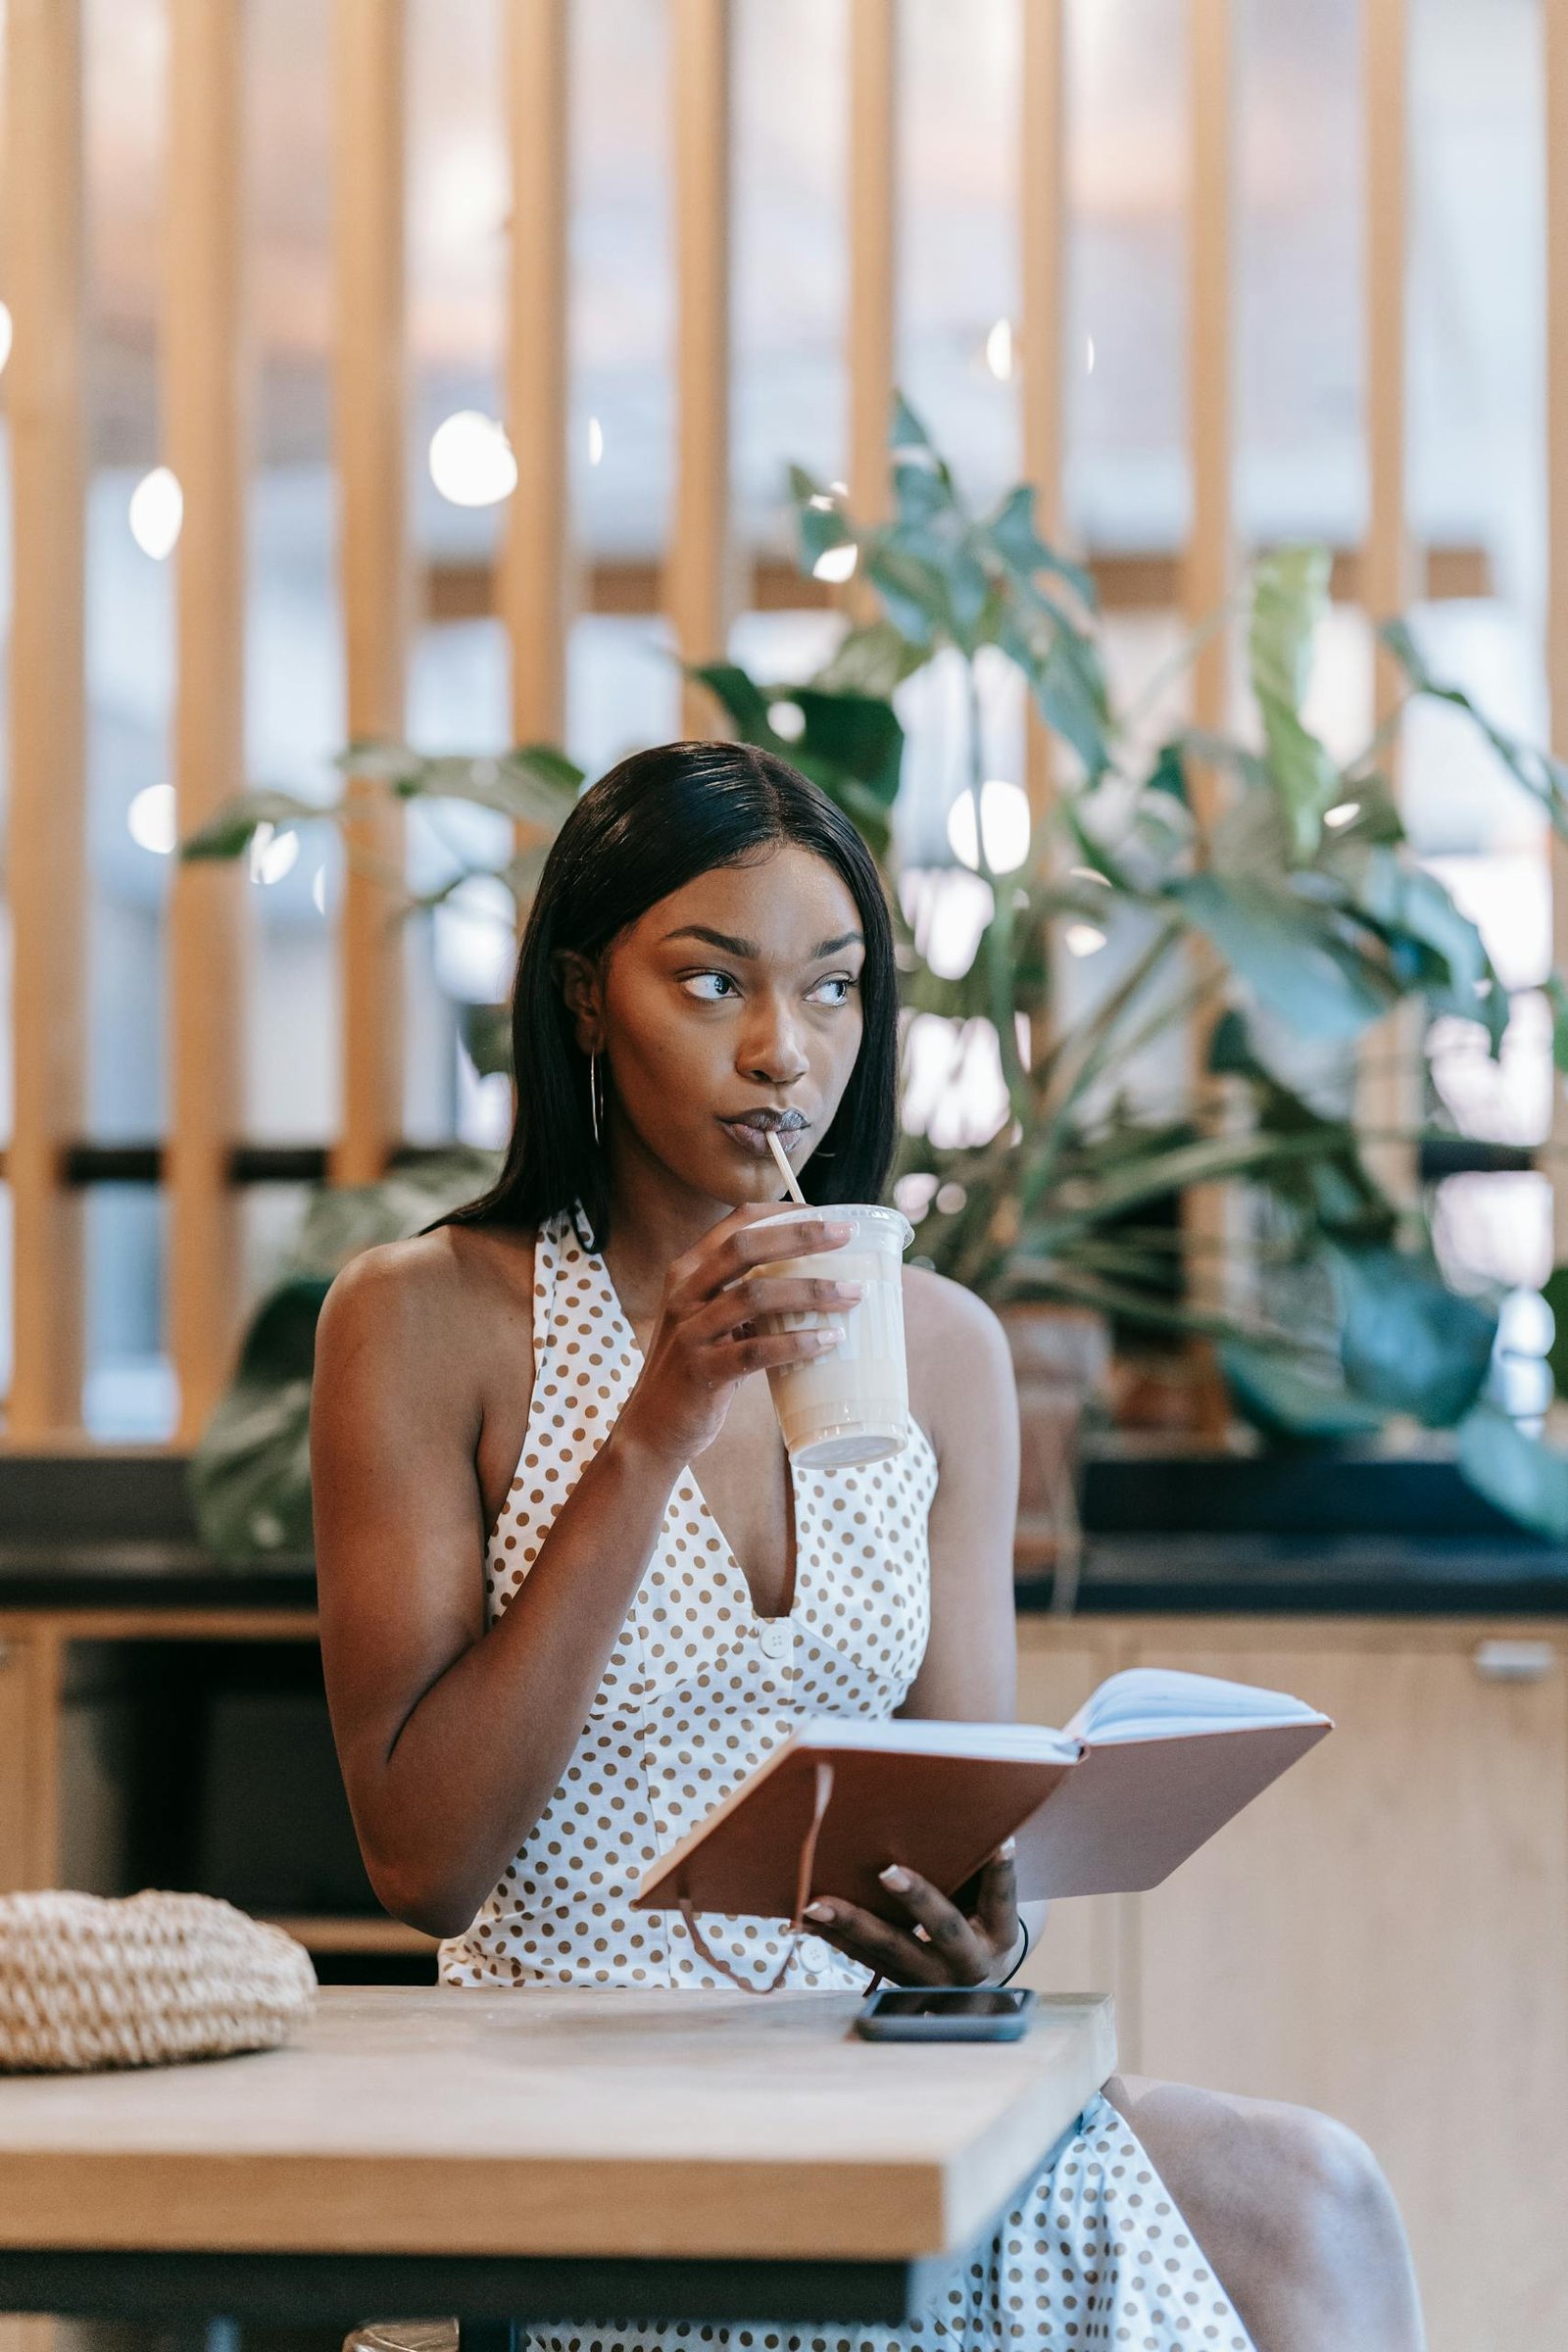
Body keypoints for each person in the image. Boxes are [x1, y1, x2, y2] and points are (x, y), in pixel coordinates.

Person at [312, 741, 1425, 2352]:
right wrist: (657, 1421)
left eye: (832, 991)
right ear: (580, 998)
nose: (784, 1053)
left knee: (1319, 2201)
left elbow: (963, 1810)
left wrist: (981, 1936)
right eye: (712, 984)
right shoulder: (431, 1322)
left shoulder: (940, 1348)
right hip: (571, 2102)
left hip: (867, 2085)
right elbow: (427, 1866)